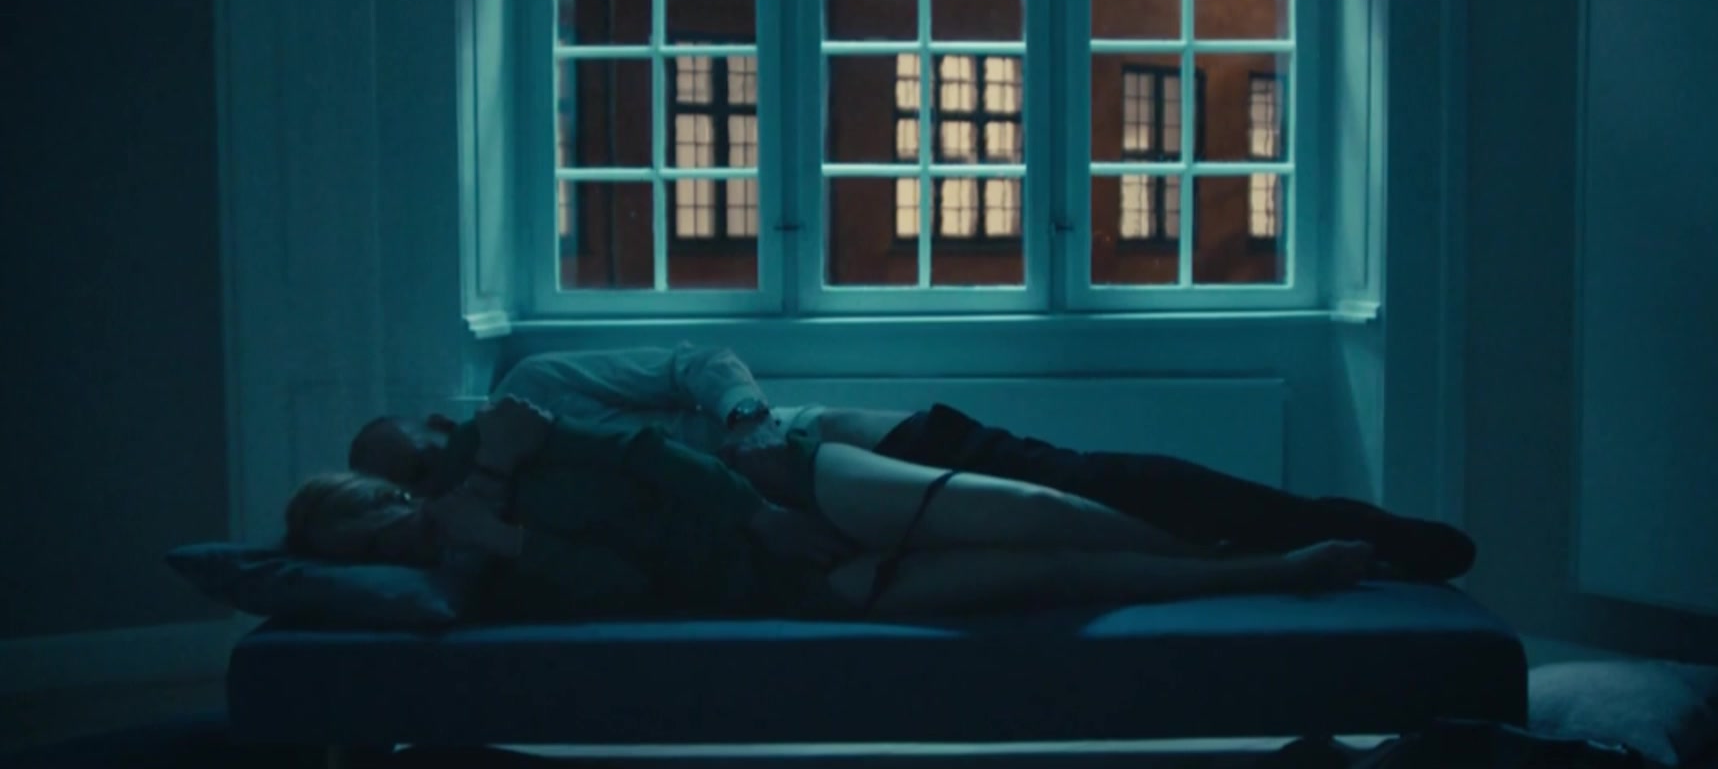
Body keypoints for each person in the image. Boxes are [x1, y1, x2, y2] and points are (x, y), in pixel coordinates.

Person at [347, 343, 1475, 582]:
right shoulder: (478, 506)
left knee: (1089, 478)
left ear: (438, 417)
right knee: (1053, 542)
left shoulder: (535, 389)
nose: (441, 457)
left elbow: (697, 360)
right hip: (782, 526)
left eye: (431, 438)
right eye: (420, 471)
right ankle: (1268, 557)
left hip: (823, 443)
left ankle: (1343, 524)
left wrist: (743, 420)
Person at [289, 397, 1380, 620]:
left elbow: (649, 451)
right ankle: (1264, 571)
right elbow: (622, 586)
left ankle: (1214, 545)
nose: (410, 507)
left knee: (1026, 502)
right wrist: (508, 537)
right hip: (778, 581)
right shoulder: (474, 572)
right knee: (1045, 571)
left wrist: (757, 510)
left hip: (787, 492)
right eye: (382, 530)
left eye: (398, 490)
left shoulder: (507, 431)